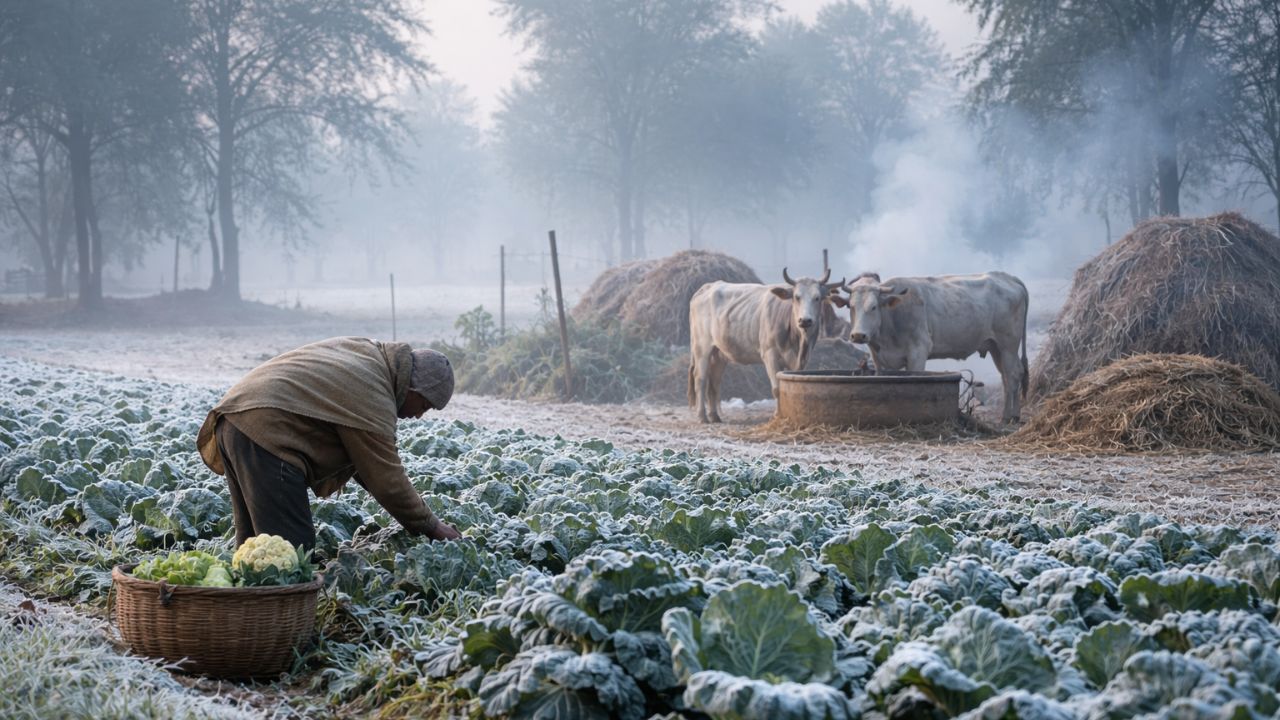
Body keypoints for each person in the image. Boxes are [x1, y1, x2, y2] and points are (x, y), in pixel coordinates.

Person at [197, 336, 462, 549]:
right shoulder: (373, 392)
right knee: (290, 550)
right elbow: (386, 480)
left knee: (254, 548)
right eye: (424, 406)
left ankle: (247, 613)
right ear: (415, 388)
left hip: (236, 422)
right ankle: (283, 615)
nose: (418, 415)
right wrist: (433, 527)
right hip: (266, 434)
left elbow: (367, 468)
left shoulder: (370, 356)